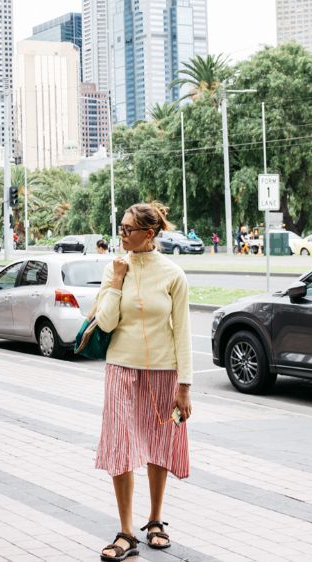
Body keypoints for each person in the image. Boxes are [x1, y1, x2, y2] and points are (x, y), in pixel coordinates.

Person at [94, 201, 192, 561]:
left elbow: (182, 333)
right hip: (120, 367)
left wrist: (185, 386)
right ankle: (125, 531)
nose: (121, 235)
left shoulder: (172, 274)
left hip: (164, 372)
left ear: (148, 234)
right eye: (120, 228)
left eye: (127, 230)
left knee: (159, 444)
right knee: (120, 446)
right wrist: (118, 280)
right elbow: (105, 322)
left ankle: (154, 522)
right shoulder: (114, 268)